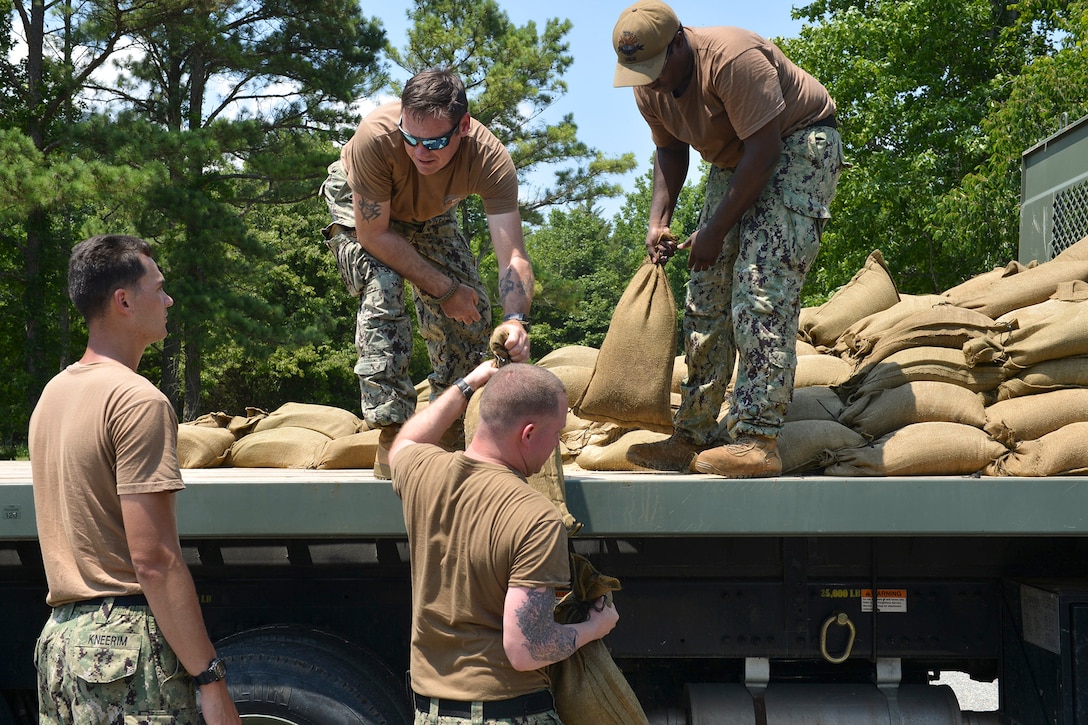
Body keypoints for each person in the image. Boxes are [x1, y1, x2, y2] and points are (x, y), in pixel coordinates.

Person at [612, 0, 845, 477]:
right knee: (706, 290)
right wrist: (659, 220)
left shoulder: (732, 59)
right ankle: (693, 432)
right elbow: (670, 152)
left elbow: (765, 151)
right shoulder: (646, 85)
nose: (651, 81)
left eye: (656, 68)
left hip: (796, 144)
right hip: (735, 160)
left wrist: (715, 230)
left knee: (761, 285)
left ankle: (759, 438)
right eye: (640, 73)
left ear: (679, 41)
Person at [29, 235, 240, 725]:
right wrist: (211, 679)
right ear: (123, 301)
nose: (168, 301)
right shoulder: (137, 400)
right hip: (125, 654)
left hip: (60, 646)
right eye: (159, 288)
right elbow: (154, 561)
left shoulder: (52, 395)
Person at [320, 67, 534, 479]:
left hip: (428, 215)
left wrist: (516, 320)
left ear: (463, 127)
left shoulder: (490, 160)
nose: (420, 152)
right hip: (363, 210)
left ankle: (447, 429)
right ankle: (393, 431)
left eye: (435, 142)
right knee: (383, 288)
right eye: (411, 138)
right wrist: (442, 288)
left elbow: (513, 258)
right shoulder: (377, 138)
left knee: (474, 309)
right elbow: (376, 234)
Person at [389, 360, 619, 724]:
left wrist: (469, 384)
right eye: (556, 432)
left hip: (429, 713)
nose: (556, 443)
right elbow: (526, 649)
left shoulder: (423, 472)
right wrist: (595, 627)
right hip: (504, 712)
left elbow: (405, 441)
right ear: (527, 434)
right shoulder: (536, 517)